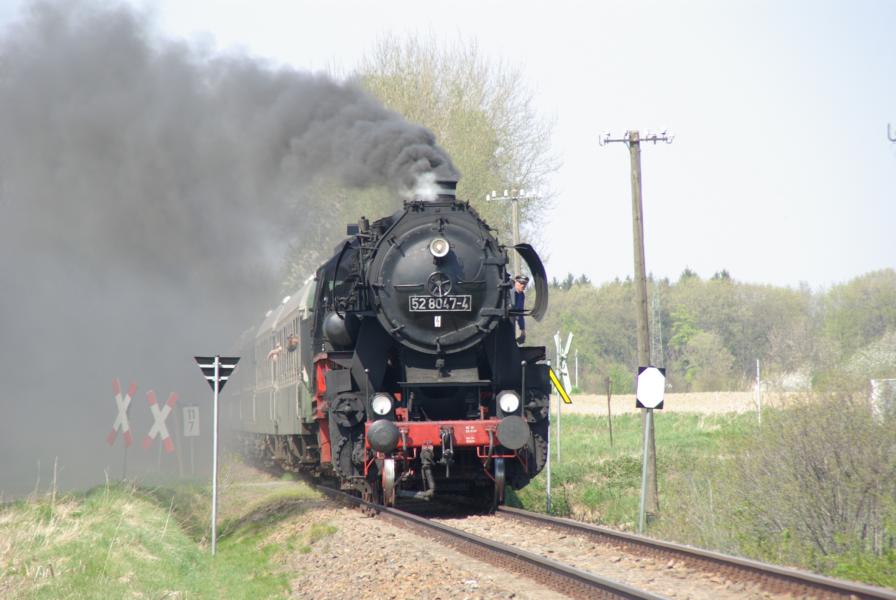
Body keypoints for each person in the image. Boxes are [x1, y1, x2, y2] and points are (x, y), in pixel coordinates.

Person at [513, 274, 529, 344]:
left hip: (512, 322)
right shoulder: (509, 293)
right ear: (516, 282)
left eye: (525, 284)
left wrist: (522, 330)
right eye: (521, 283)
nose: (523, 286)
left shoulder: (521, 295)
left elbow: (520, 313)